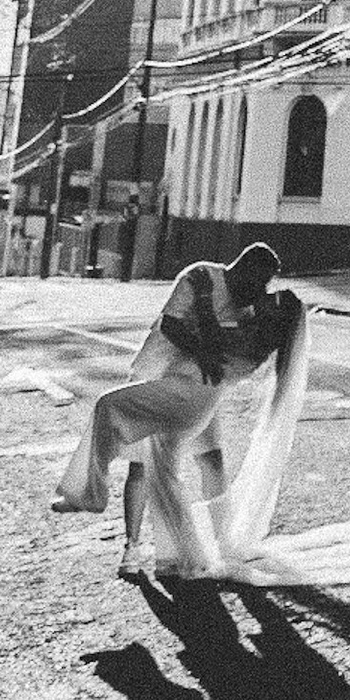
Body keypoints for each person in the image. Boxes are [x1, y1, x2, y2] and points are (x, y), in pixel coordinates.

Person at [51, 241, 309, 579]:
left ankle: (214, 545)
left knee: (205, 462)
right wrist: (207, 349)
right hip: (159, 375)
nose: (261, 291)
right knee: (147, 468)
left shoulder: (251, 314)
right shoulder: (201, 277)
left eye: (267, 288)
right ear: (243, 267)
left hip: (193, 393)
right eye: (260, 282)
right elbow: (172, 326)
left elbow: (235, 349)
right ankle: (148, 550)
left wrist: (217, 345)